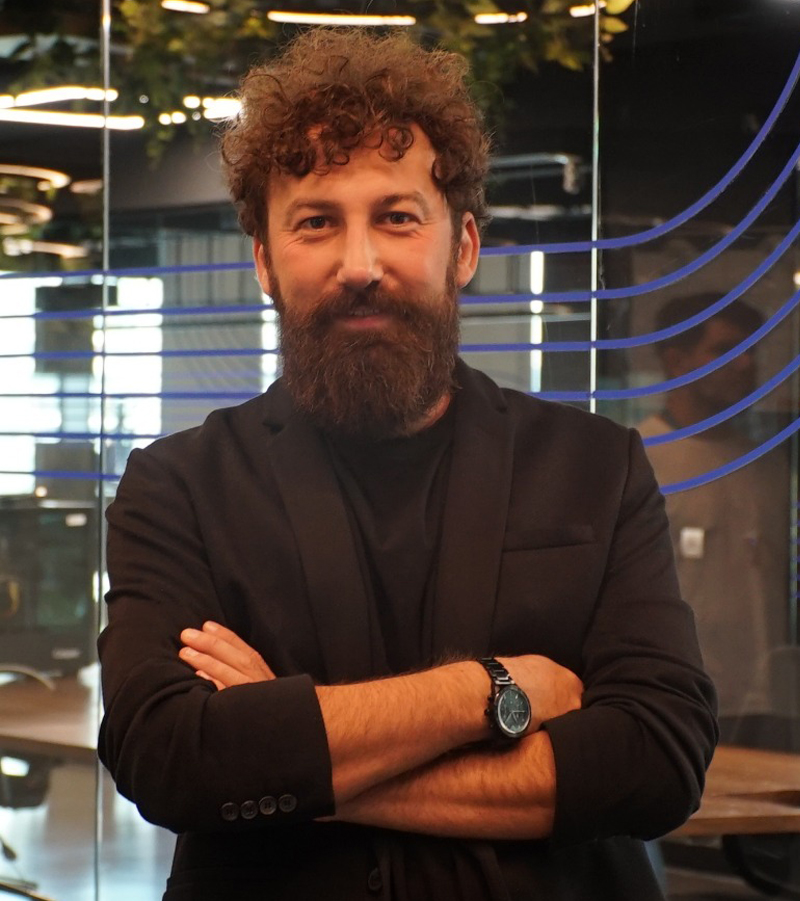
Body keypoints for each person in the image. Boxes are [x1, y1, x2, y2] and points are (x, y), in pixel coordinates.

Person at [98, 28, 717, 901]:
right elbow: (167, 756)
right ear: (265, 261)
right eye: (317, 222)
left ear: (462, 248)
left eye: (397, 217)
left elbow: (658, 759)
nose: (360, 265)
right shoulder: (179, 486)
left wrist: (293, 759)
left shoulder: (595, 468)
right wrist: (494, 688)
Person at [639, 295, 788, 744]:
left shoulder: (769, 466)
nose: (745, 364)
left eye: (751, 350)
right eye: (725, 350)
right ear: (676, 361)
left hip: (773, 701)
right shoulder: (637, 458)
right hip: (681, 699)